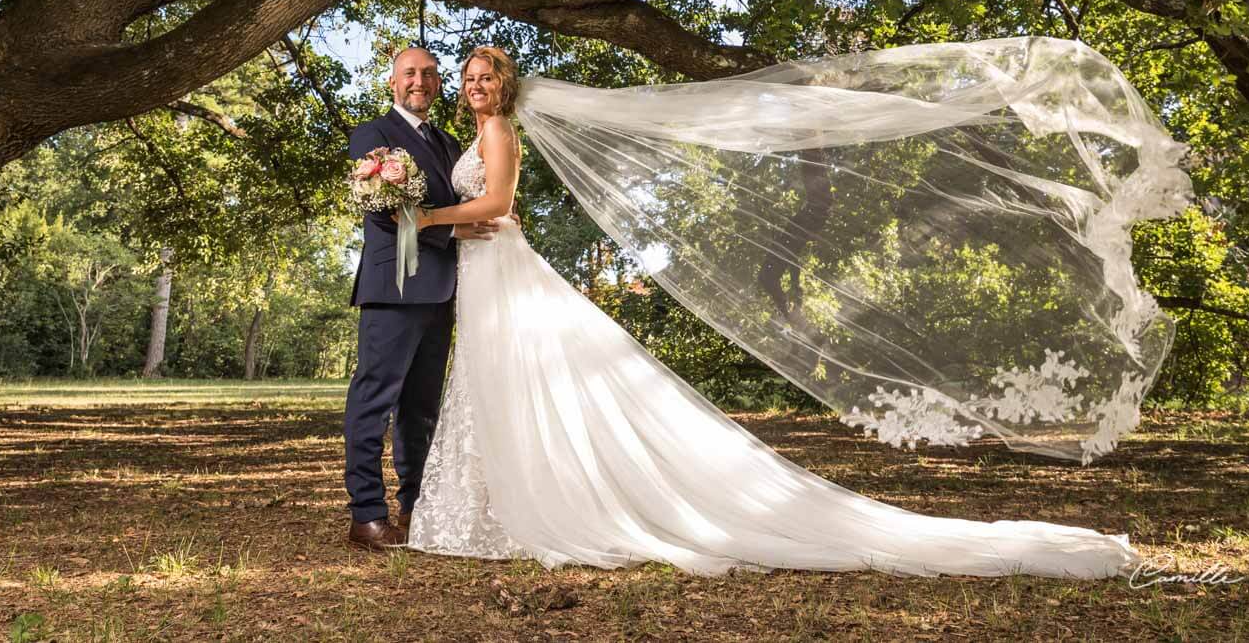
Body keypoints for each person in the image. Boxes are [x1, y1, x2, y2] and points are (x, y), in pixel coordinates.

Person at [402, 45, 1144, 578]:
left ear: (505, 86)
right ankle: (493, 506)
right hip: (485, 267)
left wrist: (427, 218)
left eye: (484, 77)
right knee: (495, 386)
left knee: (506, 380)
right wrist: (448, 221)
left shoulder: (498, 133)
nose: (474, 87)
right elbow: (494, 214)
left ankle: (519, 508)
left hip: (497, 268)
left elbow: (497, 203)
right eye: (466, 79)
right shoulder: (475, 133)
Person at [342, 47, 504, 551]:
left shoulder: (447, 140)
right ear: (393, 81)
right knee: (375, 399)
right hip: (394, 287)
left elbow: (471, 199)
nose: (420, 81)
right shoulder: (373, 136)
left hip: (444, 289)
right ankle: (367, 515)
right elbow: (381, 215)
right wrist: (452, 232)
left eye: (430, 74)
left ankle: (416, 505)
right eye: (410, 73)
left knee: (422, 407)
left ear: (438, 84)